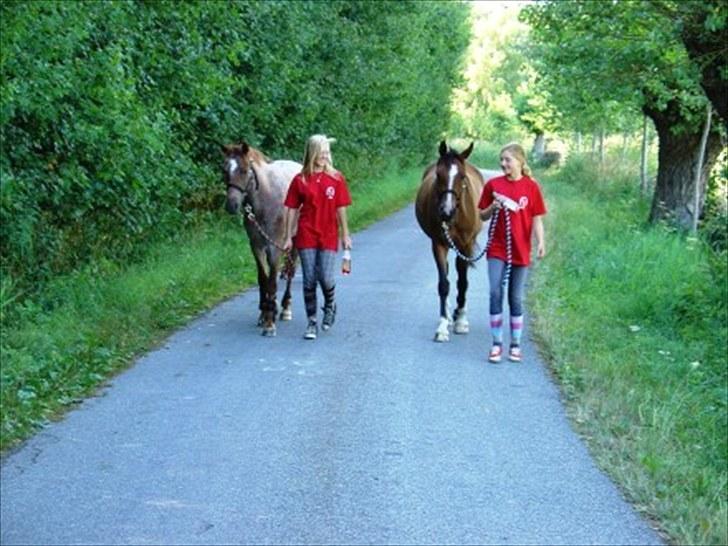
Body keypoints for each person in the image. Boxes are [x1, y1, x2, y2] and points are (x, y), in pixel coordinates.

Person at [478, 143, 546, 363]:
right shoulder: (493, 185)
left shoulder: (531, 187)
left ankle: (515, 344)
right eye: (502, 159)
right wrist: (493, 208)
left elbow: (537, 219)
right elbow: (482, 215)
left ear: (520, 161)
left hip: (520, 249)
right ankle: (496, 344)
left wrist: (541, 242)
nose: (503, 163)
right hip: (498, 248)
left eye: (507, 159)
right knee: (495, 292)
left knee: (515, 297)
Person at [282, 135, 353, 340]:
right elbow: (291, 209)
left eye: (326, 153)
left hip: (329, 232)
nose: (324, 156)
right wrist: (288, 236)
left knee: (326, 277)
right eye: (320, 152)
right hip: (306, 233)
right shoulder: (300, 180)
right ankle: (312, 322)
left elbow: (341, 208)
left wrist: (346, 235)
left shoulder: (336, 178)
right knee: (309, 279)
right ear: (311, 153)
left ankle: (330, 304)